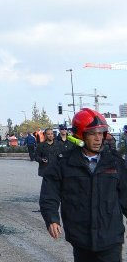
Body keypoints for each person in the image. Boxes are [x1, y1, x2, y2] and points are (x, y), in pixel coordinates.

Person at [40, 108, 127, 261]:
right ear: (80, 135)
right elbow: (50, 193)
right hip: (81, 238)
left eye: (100, 133)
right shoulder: (64, 163)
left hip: (111, 237)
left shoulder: (114, 162)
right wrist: (52, 218)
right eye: (92, 133)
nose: (98, 139)